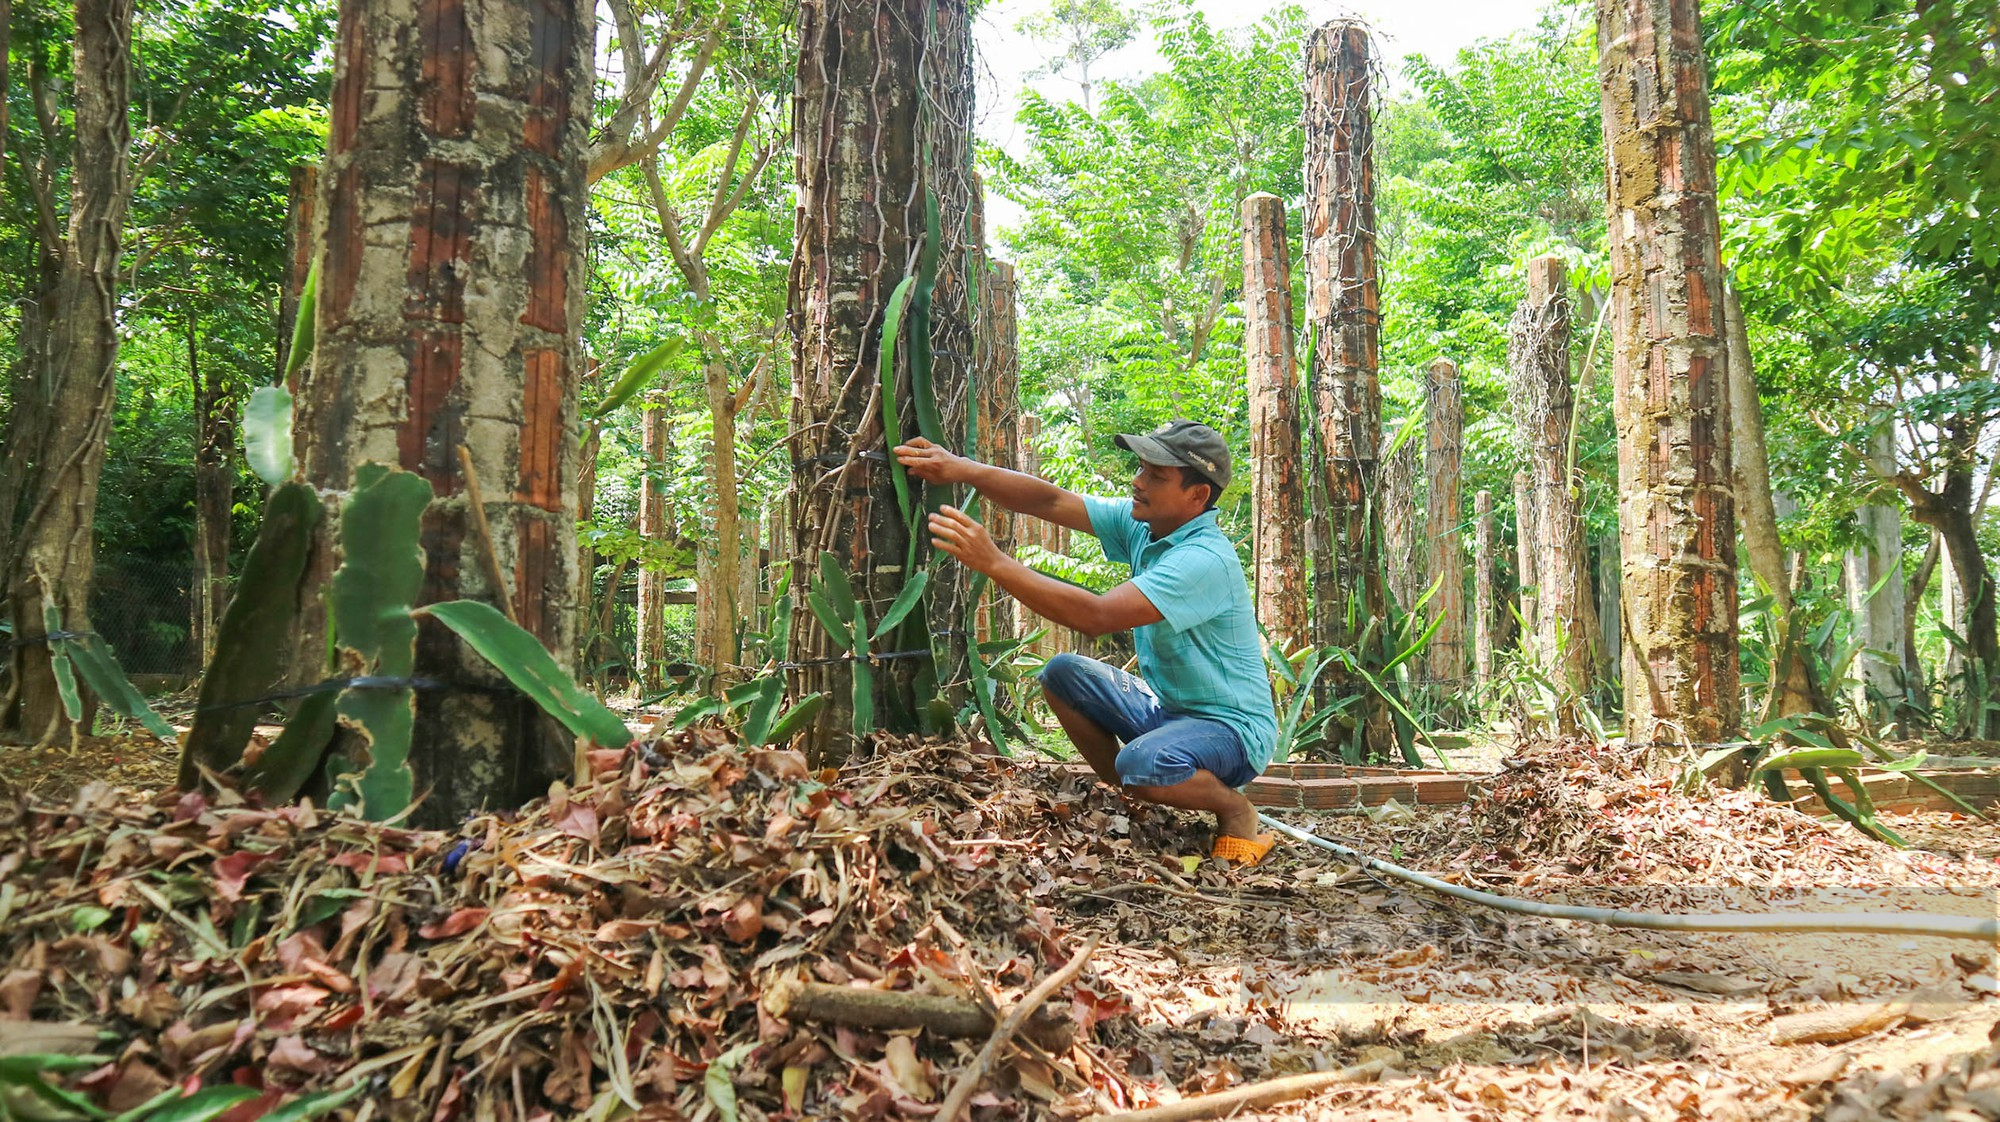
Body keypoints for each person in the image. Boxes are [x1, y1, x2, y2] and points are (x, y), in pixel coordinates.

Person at [894, 420, 1280, 866]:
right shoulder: (1147, 526)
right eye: (1141, 469)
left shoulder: (1202, 560)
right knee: (1062, 674)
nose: (1137, 482)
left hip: (1231, 730)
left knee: (1141, 764)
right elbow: (1051, 500)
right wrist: (961, 468)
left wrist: (995, 563)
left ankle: (1235, 808)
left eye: (1156, 476)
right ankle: (1132, 794)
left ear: (1197, 497)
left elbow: (1097, 617)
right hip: (1170, 712)